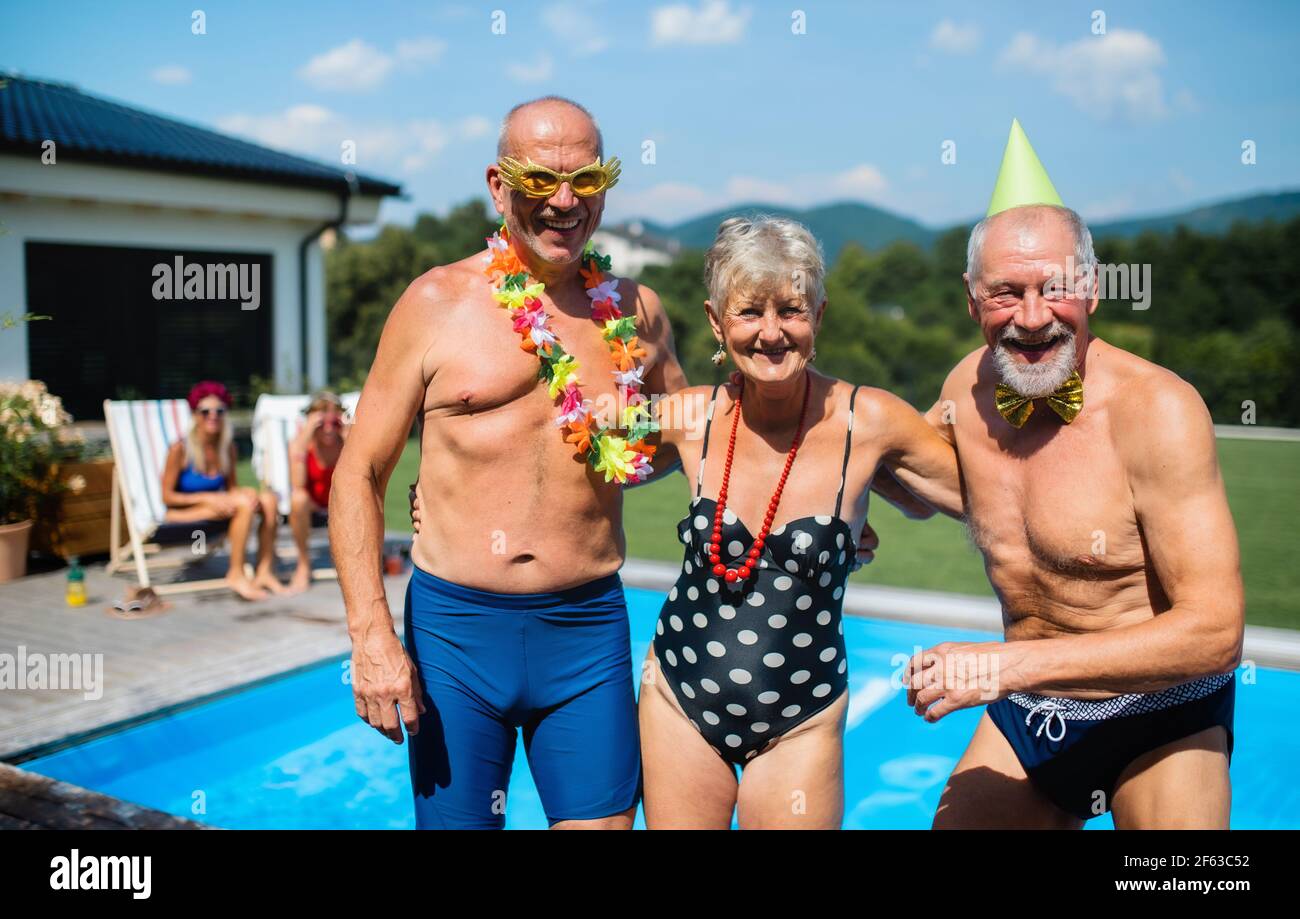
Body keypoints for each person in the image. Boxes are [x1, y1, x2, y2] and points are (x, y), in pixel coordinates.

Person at [330, 96, 687, 829]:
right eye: (540, 181)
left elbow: (692, 435)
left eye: (585, 181)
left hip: (585, 629)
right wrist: (370, 634)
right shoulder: (435, 302)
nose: (564, 202)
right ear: (499, 185)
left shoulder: (635, 310)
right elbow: (358, 472)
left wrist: (819, 495)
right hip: (458, 631)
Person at [894, 120, 1244, 829]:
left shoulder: (1159, 410)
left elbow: (1216, 631)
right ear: (971, 300)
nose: (1030, 318)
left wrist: (1002, 667)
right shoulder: (966, 389)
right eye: (1004, 293)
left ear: (1090, 288)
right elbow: (911, 475)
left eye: (1053, 289)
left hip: (1161, 709)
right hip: (1030, 712)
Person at [638, 216, 960, 828]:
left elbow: (989, 500)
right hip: (678, 698)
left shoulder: (869, 421)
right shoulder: (686, 417)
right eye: (748, 312)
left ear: (819, 312)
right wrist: (432, 495)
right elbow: (578, 459)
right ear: (715, 320)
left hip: (802, 716)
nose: (770, 333)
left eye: (791, 310)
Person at [160, 380, 285, 600]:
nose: (213, 416)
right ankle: (235, 573)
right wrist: (208, 498)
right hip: (181, 514)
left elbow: (231, 489)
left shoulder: (227, 448)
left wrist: (247, 492)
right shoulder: (180, 449)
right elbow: (167, 496)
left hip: (219, 507)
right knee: (243, 506)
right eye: (205, 411)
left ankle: (265, 571)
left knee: (268, 499)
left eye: (219, 411)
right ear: (195, 415)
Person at [286, 390, 349, 593]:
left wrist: (349, 436)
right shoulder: (301, 445)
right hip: (312, 508)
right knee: (298, 499)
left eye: (335, 422)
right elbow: (297, 484)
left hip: (341, 505)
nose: (329, 429)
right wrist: (306, 435)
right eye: (322, 423)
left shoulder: (346, 443)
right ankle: (303, 565)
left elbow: (365, 475)